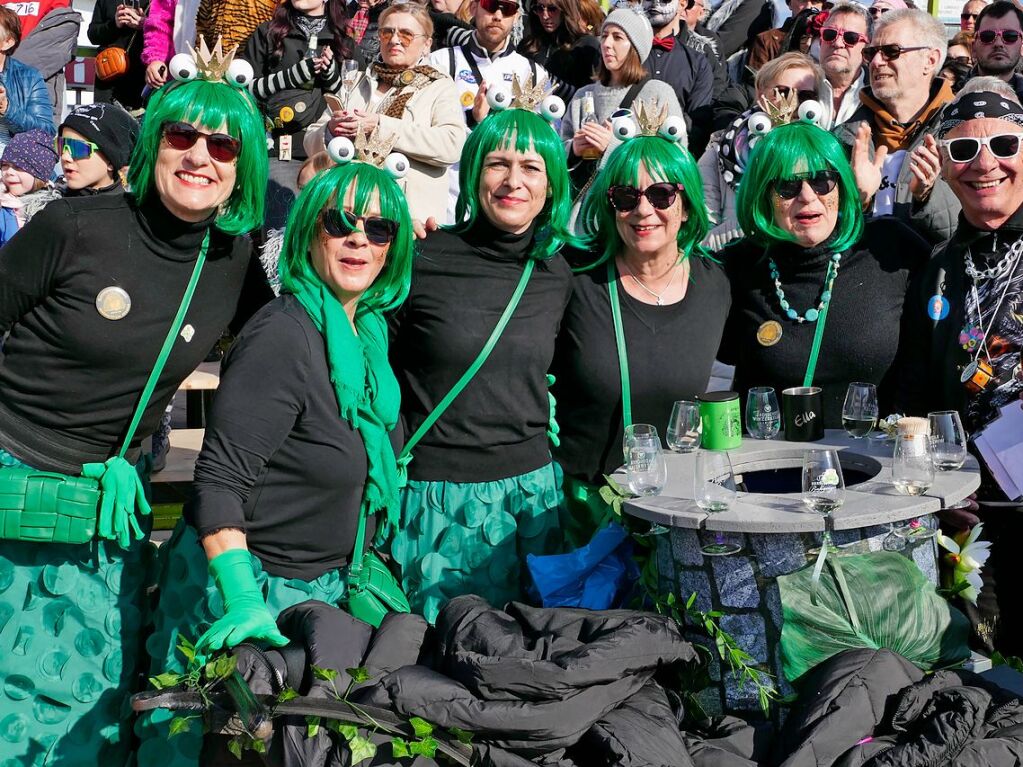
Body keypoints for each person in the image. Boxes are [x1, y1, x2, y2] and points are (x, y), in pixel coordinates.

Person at [0, 46, 268, 764]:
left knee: (84, 710)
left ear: (242, 165)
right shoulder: (74, 226)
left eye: (222, 144)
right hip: (10, 477)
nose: (199, 156)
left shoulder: (233, 260)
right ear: (153, 142)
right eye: (181, 136)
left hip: (101, 513)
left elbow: (288, 345)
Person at [147, 138, 414, 767]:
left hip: (321, 596)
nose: (359, 240)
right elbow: (218, 479)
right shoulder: (283, 333)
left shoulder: (365, 334)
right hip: (258, 597)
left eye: (378, 228)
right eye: (339, 222)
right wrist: (243, 597)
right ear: (309, 231)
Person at [389, 104, 574, 623]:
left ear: (551, 183)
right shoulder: (423, 255)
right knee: (435, 664)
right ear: (472, 172)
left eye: (531, 167)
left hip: (534, 501)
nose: (513, 181)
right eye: (497, 163)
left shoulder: (559, 270)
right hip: (437, 501)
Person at [553, 108, 729, 540]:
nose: (643, 210)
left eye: (662, 195)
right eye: (626, 197)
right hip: (581, 511)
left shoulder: (717, 284)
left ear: (686, 205)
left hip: (680, 511)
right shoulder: (575, 277)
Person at [899, 84, 1023, 657]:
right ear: (944, 168)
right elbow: (917, 388)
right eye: (964, 151)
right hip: (970, 512)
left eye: (1003, 143)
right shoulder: (940, 267)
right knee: (987, 662)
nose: (985, 164)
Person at [719, 121, 929, 427]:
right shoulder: (738, 265)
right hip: (768, 462)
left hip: (873, 460)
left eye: (822, 181)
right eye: (787, 186)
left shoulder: (889, 247)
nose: (807, 196)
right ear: (762, 194)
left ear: (841, 185)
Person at [303, 2, 465, 223]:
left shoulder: (439, 86)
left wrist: (380, 126)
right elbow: (310, 140)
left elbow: (451, 144)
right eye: (387, 32)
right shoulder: (358, 80)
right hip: (350, 212)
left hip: (407, 217)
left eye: (406, 34)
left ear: (427, 44)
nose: (395, 40)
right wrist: (331, 131)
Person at [834, 7, 959, 244]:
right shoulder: (842, 138)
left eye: (891, 51)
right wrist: (857, 200)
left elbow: (974, 228)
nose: (877, 62)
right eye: (871, 53)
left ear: (930, 61)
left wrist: (927, 195)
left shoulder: (963, 132)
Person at [241, 0, 359, 231]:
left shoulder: (343, 42)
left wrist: (331, 77)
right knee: (282, 230)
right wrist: (290, 77)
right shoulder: (269, 33)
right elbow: (244, 90)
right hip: (278, 151)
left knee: (322, 232)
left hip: (328, 157)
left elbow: (354, 101)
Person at [699, 52, 825, 250]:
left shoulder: (826, 154)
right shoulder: (718, 153)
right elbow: (703, 235)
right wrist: (755, 227)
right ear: (760, 93)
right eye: (783, 92)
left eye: (806, 95)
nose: (793, 103)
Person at [562, 7, 685, 183]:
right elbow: (557, 153)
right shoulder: (582, 96)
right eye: (604, 35)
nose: (606, 44)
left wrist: (612, 148)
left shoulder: (658, 93)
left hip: (632, 205)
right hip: (583, 207)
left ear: (636, 47)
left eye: (617, 37)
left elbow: (676, 159)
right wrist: (573, 149)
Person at [429, 0, 551, 130]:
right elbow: (426, 124)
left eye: (507, 9)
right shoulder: (440, 62)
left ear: (516, 17)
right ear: (473, 8)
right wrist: (472, 118)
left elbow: (548, 136)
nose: (498, 16)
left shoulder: (534, 73)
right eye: (490, 5)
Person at [641, 0, 714, 156]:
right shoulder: (623, 55)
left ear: (682, 4)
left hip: (675, 160)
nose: (654, 3)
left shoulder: (698, 62)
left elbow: (698, 124)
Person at [0, 8, 54, 156]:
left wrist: (7, 109)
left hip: (14, 166)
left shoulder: (28, 77)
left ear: (7, 42)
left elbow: (46, 132)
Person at [57, 101, 140, 195]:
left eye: (78, 148)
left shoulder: (132, 207)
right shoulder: (48, 205)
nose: (65, 157)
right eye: (61, 145)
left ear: (110, 160)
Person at [517, 0, 602, 90]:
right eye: (539, 8)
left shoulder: (585, 46)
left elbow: (592, 93)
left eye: (552, 9)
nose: (545, 16)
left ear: (566, 9)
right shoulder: (527, 45)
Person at [817, 1, 870, 129]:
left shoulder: (879, 95)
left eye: (851, 37)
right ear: (820, 41)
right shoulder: (797, 86)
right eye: (830, 34)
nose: (838, 43)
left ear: (867, 48)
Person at [87, 0, 148, 110]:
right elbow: (92, 35)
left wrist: (145, 24)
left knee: (142, 123)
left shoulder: (157, 2)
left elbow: (167, 31)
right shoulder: (106, 2)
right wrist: (114, 24)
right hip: (109, 75)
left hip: (143, 76)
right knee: (105, 121)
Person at [0, 127, 57, 244]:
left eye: (18, 167)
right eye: (5, 165)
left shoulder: (54, 209)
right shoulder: (3, 205)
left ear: (39, 174)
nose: (9, 172)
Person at [747, 0, 821, 72]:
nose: (808, 6)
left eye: (815, 1)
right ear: (789, 4)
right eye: (802, 0)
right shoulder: (766, 40)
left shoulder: (827, 39)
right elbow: (753, 80)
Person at [971, 1, 1023, 103]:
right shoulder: (948, 96)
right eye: (987, 36)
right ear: (973, 48)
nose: (998, 43)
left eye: (1010, 36)